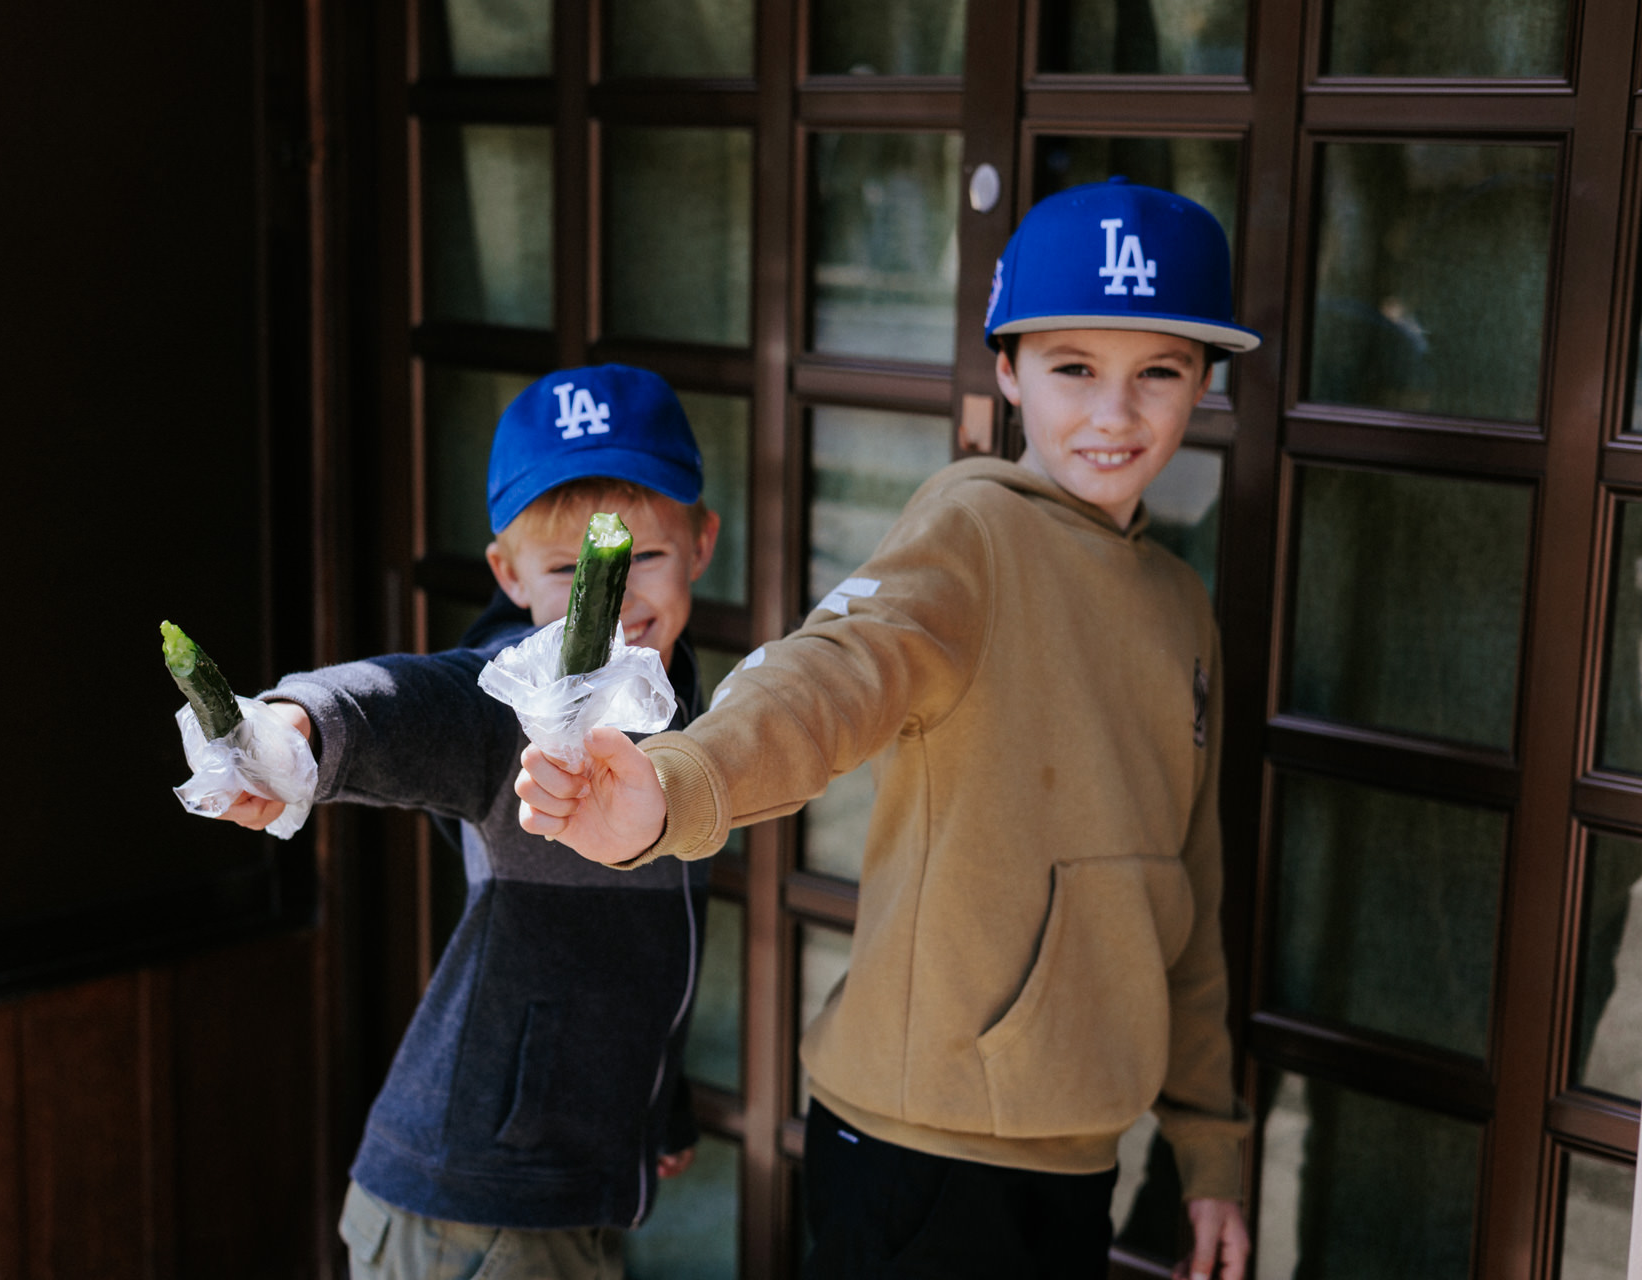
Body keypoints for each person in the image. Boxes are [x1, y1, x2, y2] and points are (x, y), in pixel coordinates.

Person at [514, 179, 1257, 1280]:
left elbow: (1188, 890)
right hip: (923, 1143)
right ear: (1008, 372)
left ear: (1203, 381)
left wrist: (1210, 1146)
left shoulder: (1180, 604)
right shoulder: (973, 529)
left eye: (1159, 371)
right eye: (1074, 368)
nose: (1115, 413)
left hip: (1081, 1144)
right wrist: (674, 785)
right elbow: (832, 673)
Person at [208, 364, 722, 1280]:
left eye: (642, 555)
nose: (613, 597)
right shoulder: (514, 701)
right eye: (568, 570)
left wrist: (660, 1104)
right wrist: (295, 733)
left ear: (702, 544)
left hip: (559, 1186)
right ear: (508, 575)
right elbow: (408, 702)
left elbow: (635, 949)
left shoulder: (682, 699)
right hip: (475, 1210)